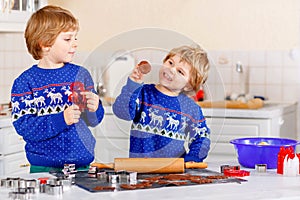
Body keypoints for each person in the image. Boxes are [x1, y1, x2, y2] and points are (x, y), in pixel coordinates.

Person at [10, 5, 104, 173]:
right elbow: (24, 127)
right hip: (44, 168)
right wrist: (62, 119)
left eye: (76, 38)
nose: (75, 44)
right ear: (45, 44)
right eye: (68, 39)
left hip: (82, 167)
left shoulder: (81, 75)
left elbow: (94, 121)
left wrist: (96, 108)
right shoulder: (25, 82)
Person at [112, 45, 211, 162]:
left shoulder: (191, 108)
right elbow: (122, 112)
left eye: (180, 71)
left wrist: (192, 158)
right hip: (139, 170)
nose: (172, 69)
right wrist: (132, 86)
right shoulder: (143, 93)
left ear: (189, 84)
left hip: (173, 174)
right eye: (170, 63)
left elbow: (201, 138)